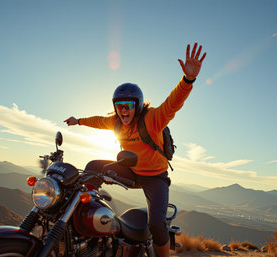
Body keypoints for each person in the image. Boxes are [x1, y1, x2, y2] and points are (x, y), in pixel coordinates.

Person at [64, 42, 207, 257]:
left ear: (137, 105)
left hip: (155, 178)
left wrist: (188, 80)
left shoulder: (153, 119)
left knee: (157, 225)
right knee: (93, 167)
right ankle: (84, 212)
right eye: (119, 105)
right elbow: (99, 121)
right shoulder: (116, 122)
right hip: (130, 171)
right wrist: (79, 121)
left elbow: (173, 102)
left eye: (128, 105)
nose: (123, 110)